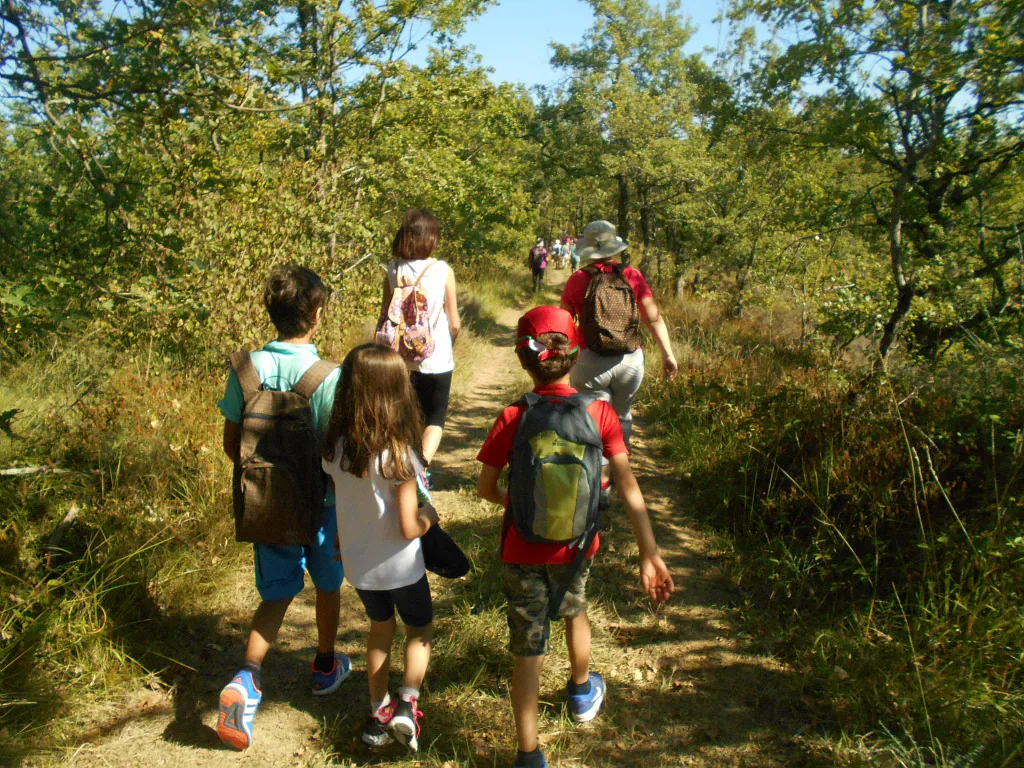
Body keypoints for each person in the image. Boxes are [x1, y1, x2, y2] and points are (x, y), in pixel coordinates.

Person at [476, 306, 674, 768]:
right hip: (579, 543)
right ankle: (582, 691)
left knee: (528, 647)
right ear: (575, 351)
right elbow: (627, 485)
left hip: (521, 548)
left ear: (522, 358)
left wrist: (522, 503)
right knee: (574, 609)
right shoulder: (601, 413)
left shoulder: (512, 416)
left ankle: (528, 755)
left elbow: (486, 488)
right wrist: (650, 552)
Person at [216, 265, 350, 751]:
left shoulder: (246, 369)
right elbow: (337, 454)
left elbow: (234, 443)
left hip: (267, 504)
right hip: (322, 506)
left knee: (276, 594)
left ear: (271, 313)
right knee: (329, 585)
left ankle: (247, 676)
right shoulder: (328, 376)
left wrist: (264, 481)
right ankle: (325, 663)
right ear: (316, 314)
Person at [321, 344, 438, 753]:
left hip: (361, 566)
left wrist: (342, 536)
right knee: (419, 630)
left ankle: (377, 712)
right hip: (402, 568)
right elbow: (409, 527)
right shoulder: (400, 457)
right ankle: (407, 702)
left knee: (379, 629)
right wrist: (431, 516)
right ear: (398, 393)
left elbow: (346, 502)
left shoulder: (335, 450)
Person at [560, 220, 678, 445]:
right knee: (622, 415)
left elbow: (564, 323)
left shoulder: (577, 279)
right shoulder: (632, 275)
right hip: (629, 360)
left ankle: (599, 472)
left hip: (590, 360)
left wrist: (563, 361)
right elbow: (653, 318)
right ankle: (619, 468)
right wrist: (668, 354)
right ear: (613, 246)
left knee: (593, 418)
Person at [379, 208, 460, 467]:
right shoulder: (442, 270)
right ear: (431, 238)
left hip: (398, 360)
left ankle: (400, 467)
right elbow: (455, 322)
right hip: (436, 359)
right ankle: (418, 470)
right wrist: (447, 344)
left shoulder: (393, 270)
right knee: (434, 419)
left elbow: (385, 316)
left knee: (403, 417)